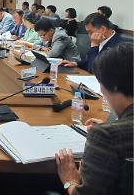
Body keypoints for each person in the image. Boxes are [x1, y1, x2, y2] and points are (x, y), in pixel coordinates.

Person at [55, 43, 133, 195]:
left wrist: (69, 181)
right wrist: (113, 126)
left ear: (114, 86)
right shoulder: (111, 132)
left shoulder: (106, 135)